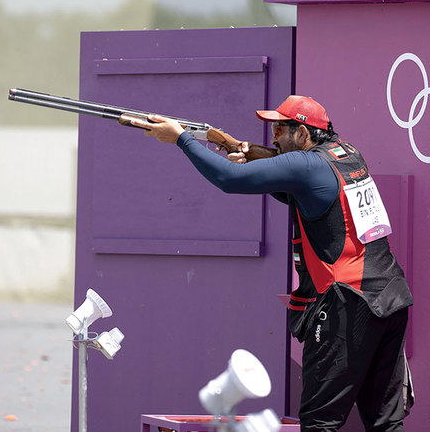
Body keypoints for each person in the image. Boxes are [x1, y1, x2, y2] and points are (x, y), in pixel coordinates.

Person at [129, 95, 413, 432]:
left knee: (320, 423)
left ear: (304, 134)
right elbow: (300, 192)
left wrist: (181, 138)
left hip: (349, 302)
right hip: (391, 297)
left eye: (280, 129)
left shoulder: (306, 165)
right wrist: (247, 154)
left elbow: (229, 180)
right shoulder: (347, 154)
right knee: (386, 422)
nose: (274, 137)